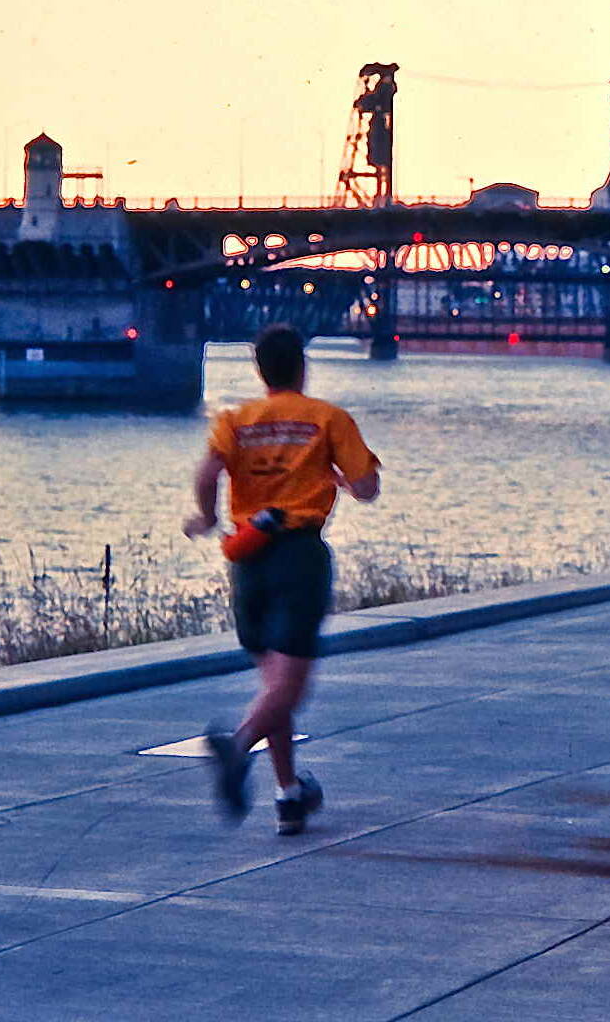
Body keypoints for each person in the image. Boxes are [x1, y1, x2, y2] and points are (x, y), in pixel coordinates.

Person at [182, 324, 381, 835]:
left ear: (260, 371)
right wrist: (341, 479)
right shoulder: (327, 418)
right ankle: (239, 745)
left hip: (249, 558)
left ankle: (289, 796)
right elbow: (366, 487)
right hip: (298, 555)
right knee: (288, 688)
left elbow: (207, 475)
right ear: (303, 367)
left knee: (275, 684)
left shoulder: (235, 420)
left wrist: (206, 518)